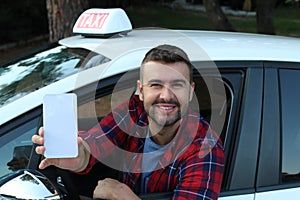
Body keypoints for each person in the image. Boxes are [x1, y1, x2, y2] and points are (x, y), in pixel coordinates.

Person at [32, 44, 225, 200]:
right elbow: (96, 141)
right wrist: (79, 158)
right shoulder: (135, 112)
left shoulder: (204, 147)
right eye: (156, 85)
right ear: (141, 90)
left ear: (190, 91)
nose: (166, 96)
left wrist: (123, 197)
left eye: (177, 85)